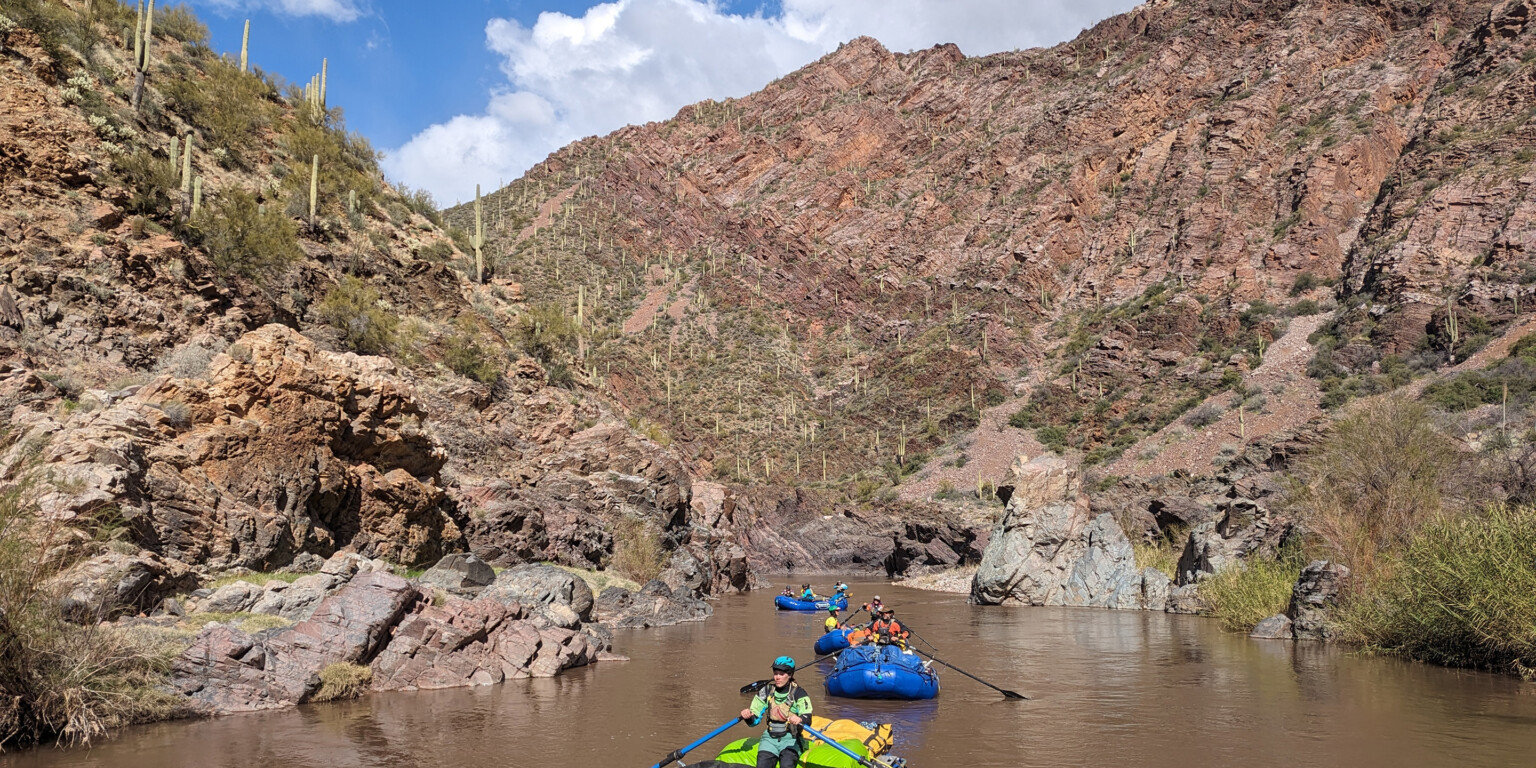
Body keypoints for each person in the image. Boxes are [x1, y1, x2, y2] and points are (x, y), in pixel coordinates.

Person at [740, 656, 813, 768]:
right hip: (769, 739)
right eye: (775, 673)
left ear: (790, 675)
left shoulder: (799, 693)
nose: (777, 677)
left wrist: (800, 719)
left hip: (791, 739)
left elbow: (807, 717)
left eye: (781, 674)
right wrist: (748, 716)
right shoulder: (766, 691)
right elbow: (753, 722)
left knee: (787, 764)